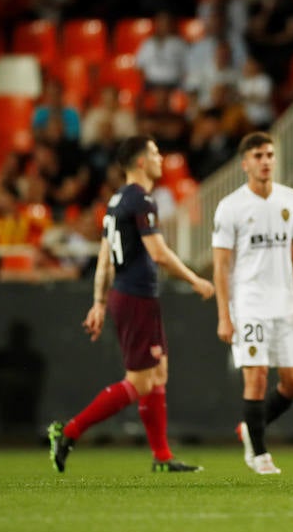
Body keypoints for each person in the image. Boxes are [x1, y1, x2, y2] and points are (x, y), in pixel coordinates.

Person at [47, 135, 215, 473]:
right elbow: (158, 253)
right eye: (154, 153)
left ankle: (162, 458)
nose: (160, 158)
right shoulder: (140, 199)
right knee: (139, 382)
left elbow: (106, 256)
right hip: (136, 296)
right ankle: (68, 431)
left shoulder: (116, 201)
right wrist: (195, 279)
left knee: (159, 373)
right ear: (140, 161)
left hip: (131, 295)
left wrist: (98, 302)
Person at [212, 131, 293, 475]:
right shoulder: (230, 206)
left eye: (269, 155)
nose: (265, 161)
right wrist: (224, 315)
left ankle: (251, 426)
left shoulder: (290, 199)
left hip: (286, 302)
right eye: (258, 156)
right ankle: (259, 454)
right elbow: (220, 265)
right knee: (257, 376)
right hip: (249, 303)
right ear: (245, 163)